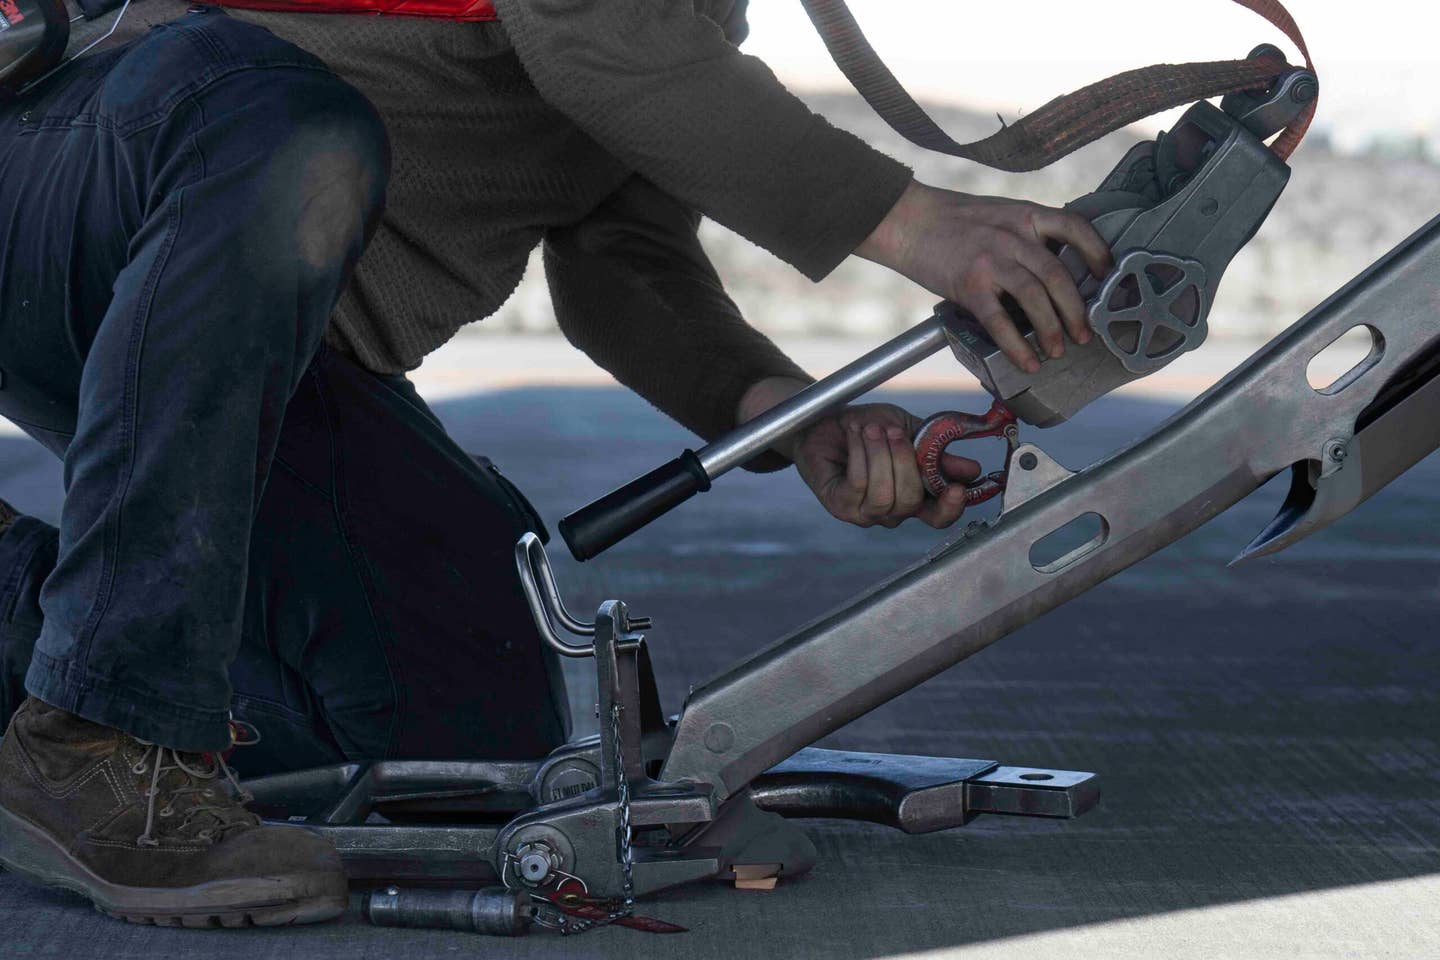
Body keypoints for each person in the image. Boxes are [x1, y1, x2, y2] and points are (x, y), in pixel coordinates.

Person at [0, 0, 1111, 927]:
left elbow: (622, 249)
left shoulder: (682, 26)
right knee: (282, 125)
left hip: (271, 348)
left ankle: (48, 677)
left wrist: (789, 416)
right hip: (88, 166)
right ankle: (102, 730)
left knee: (473, 765)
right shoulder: (629, 36)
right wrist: (923, 226)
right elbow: (606, 47)